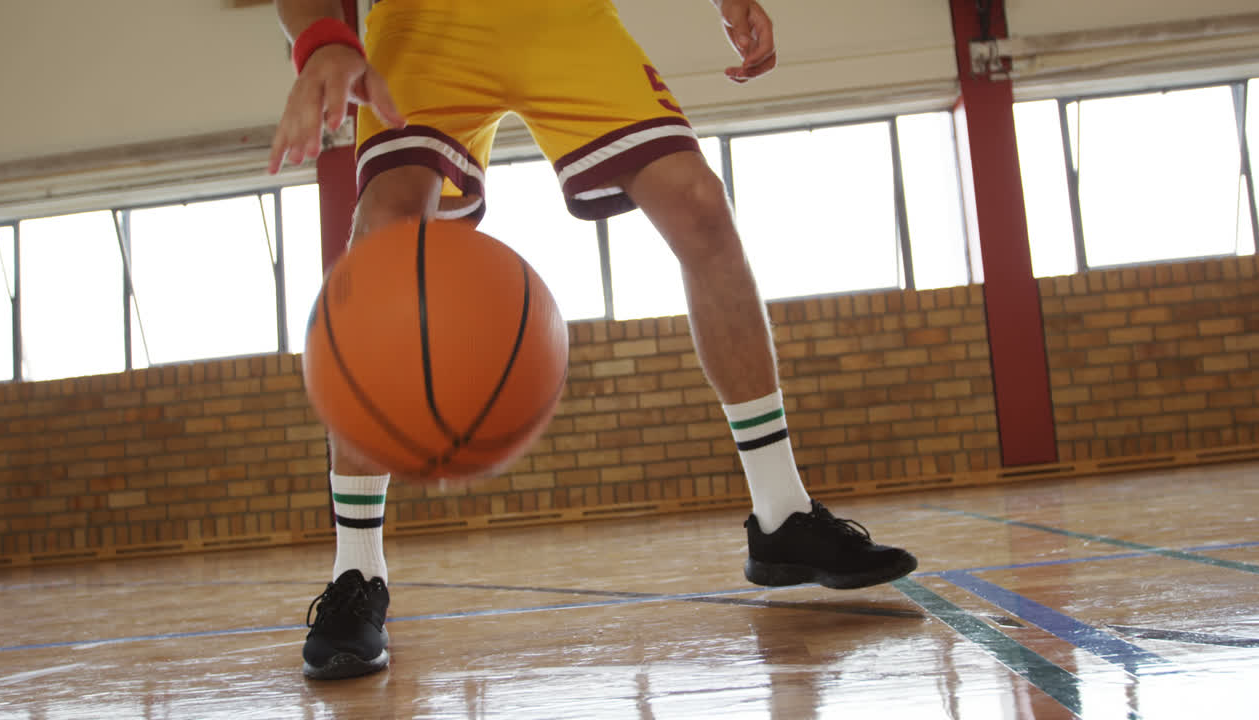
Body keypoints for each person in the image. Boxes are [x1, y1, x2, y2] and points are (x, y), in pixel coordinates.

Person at [270, 0, 918, 680]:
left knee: (699, 204)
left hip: (562, 15)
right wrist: (320, 42)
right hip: (425, 26)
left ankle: (784, 516)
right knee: (385, 245)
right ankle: (356, 574)